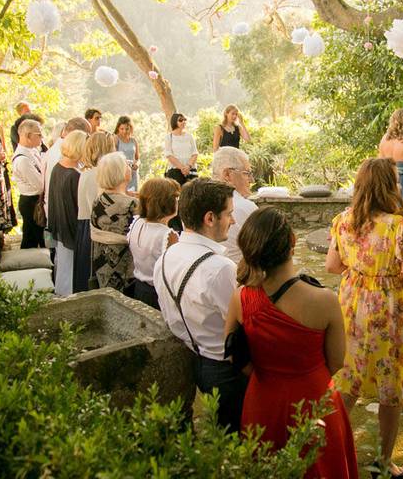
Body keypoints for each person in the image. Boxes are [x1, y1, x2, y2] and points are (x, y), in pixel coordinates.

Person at [226, 208, 357, 479]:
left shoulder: (241, 297)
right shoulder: (324, 301)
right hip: (314, 399)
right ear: (293, 242)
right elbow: (335, 361)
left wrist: (268, 375)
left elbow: (234, 355)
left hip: (262, 399)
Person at [326, 158, 403, 479]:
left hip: (351, 306)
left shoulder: (342, 220)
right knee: (389, 383)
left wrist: (359, 268)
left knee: (348, 378)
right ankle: (383, 462)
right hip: (388, 309)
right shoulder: (398, 226)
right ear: (390, 186)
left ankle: (327, 453)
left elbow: (332, 266)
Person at [154, 178, 246, 433]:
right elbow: (244, 323)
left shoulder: (165, 257)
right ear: (210, 218)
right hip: (227, 369)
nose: (234, 220)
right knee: (242, 437)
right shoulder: (219, 269)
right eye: (229, 214)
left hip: (194, 359)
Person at [128, 178, 181, 309]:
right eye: (176, 198)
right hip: (158, 294)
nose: (178, 202)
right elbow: (174, 273)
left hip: (139, 288)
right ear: (166, 203)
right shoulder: (167, 235)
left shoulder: (137, 223)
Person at [47, 130, 88, 296]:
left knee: (63, 269)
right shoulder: (75, 175)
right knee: (71, 273)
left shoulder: (58, 167)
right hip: (71, 229)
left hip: (59, 227)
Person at [90, 152, 138, 292]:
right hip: (125, 271)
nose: (130, 167)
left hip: (102, 266)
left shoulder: (98, 201)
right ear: (121, 173)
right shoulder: (131, 204)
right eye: (127, 165)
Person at [76, 132, 117, 292]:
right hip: (93, 230)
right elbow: (99, 209)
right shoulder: (96, 175)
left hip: (87, 227)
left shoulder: (88, 173)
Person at [211, 146, 257, 265]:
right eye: (246, 173)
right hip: (238, 277)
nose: (251, 180)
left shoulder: (194, 203)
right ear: (227, 174)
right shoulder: (246, 207)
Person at [43, 117, 91, 219]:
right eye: (87, 136)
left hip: (55, 209)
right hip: (63, 212)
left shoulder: (54, 150)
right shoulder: (63, 156)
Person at [12, 119, 47, 248]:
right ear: (28, 136)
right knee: (36, 239)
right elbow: (39, 185)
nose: (42, 137)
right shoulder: (22, 159)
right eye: (39, 134)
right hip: (31, 202)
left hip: (34, 201)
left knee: (31, 239)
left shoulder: (33, 151)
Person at [165, 112, 198, 187]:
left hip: (191, 170)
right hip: (175, 171)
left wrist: (188, 167)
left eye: (184, 120)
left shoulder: (190, 136)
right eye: (180, 120)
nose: (183, 122)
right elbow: (169, 155)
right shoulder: (169, 137)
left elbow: (195, 153)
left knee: (193, 194)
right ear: (174, 122)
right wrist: (182, 168)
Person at [115, 115, 140, 192]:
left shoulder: (134, 141)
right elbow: (113, 157)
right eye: (122, 129)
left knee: (133, 197)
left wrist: (137, 164)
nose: (124, 131)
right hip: (121, 172)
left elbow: (137, 158)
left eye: (127, 129)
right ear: (118, 128)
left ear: (131, 129)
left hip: (133, 173)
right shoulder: (116, 139)